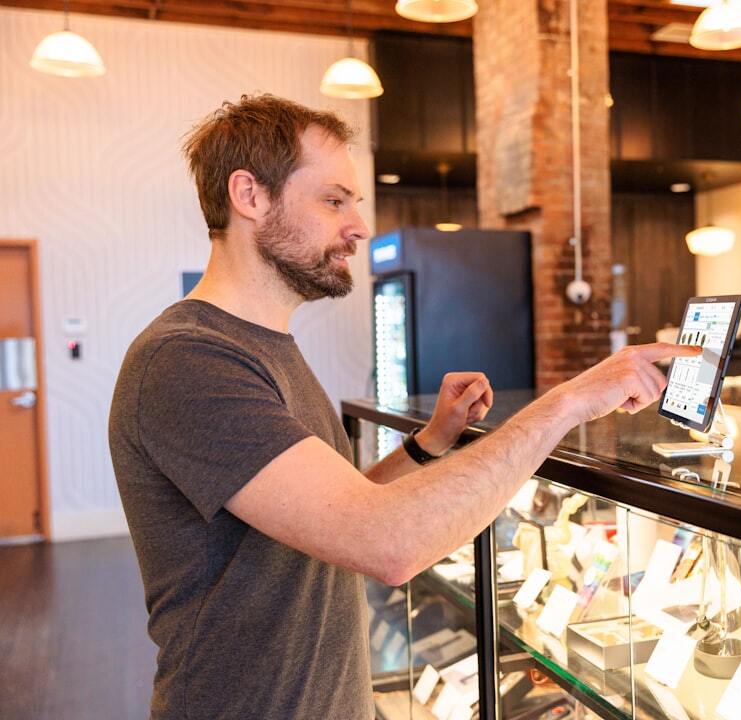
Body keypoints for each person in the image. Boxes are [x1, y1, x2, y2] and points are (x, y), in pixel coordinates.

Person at [108, 94, 699, 720]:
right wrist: (568, 402)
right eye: (334, 201)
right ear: (249, 195)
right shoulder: (187, 361)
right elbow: (387, 542)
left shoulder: (265, 347)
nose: (359, 226)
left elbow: (336, 512)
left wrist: (429, 444)